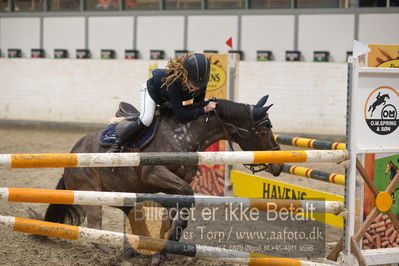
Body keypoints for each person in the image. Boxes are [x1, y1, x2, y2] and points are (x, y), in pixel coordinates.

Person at [108, 52, 217, 152]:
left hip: (169, 99)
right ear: (185, 75)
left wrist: (206, 103)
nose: (197, 87)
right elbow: (181, 115)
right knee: (146, 119)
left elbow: (194, 107)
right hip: (152, 93)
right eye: (194, 83)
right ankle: (117, 144)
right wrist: (204, 108)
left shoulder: (201, 83)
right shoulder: (174, 83)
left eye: (200, 85)